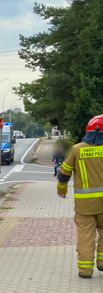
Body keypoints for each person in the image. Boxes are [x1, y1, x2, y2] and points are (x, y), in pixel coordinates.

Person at [57, 114, 103, 278]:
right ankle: (102, 262)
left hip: (85, 205)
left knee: (85, 235)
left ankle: (85, 270)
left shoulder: (77, 149)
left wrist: (62, 190)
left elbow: (63, 173)